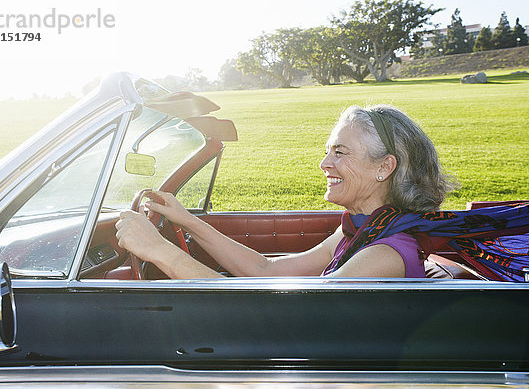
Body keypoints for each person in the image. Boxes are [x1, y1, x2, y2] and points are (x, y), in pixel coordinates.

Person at [115, 104, 456, 279]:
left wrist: (159, 250)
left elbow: (268, 317)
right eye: (328, 150)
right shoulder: (364, 227)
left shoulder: (384, 253)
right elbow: (268, 272)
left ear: (384, 167)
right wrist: (188, 221)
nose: (324, 163)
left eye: (340, 152)